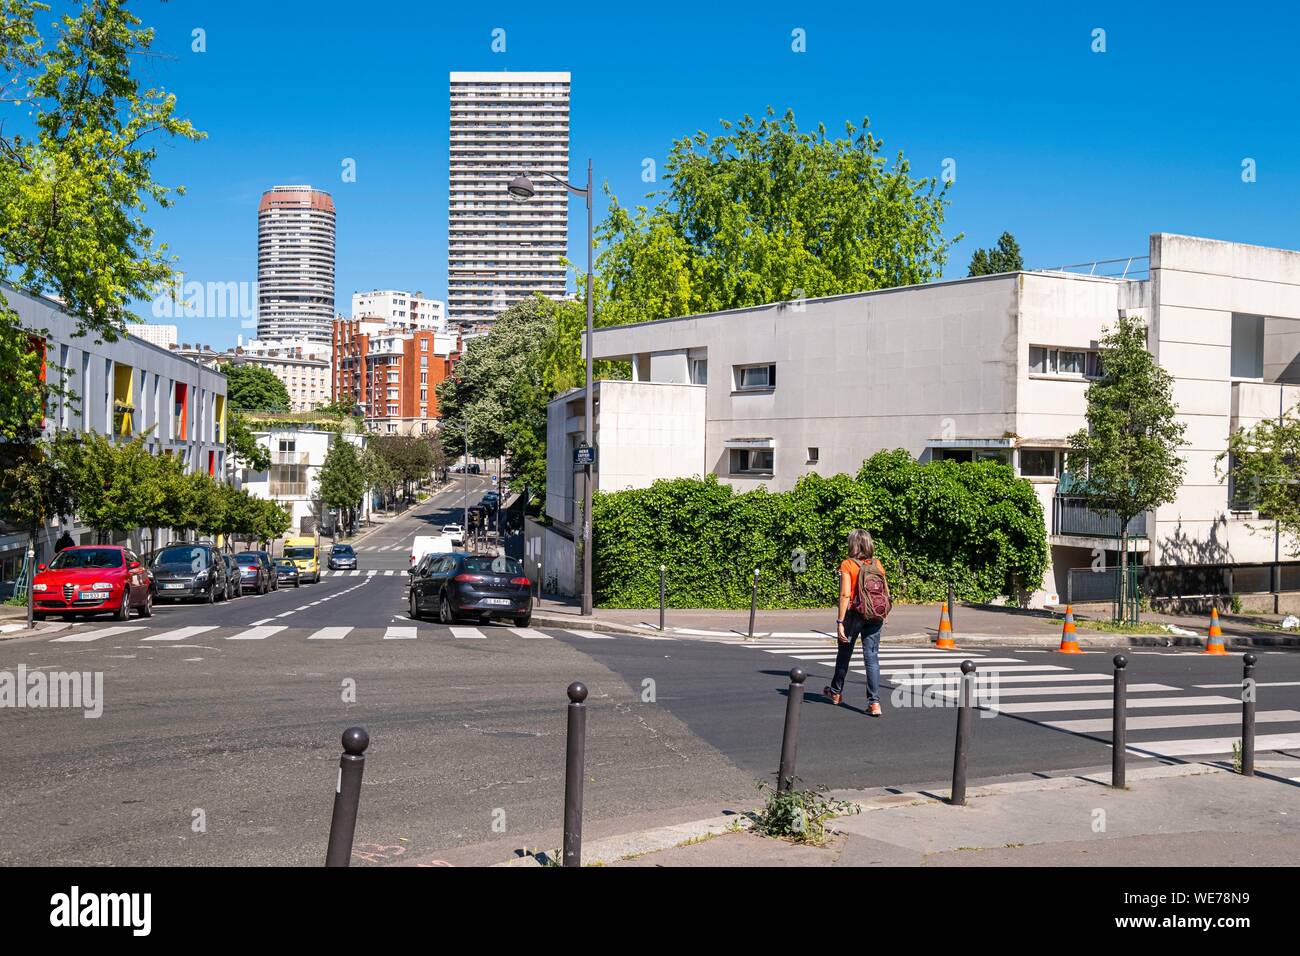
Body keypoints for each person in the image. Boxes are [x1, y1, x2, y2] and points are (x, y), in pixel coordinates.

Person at [825, 529, 886, 717]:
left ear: (852, 544)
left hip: (854, 614)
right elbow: (886, 592)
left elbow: (845, 595)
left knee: (844, 654)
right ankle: (874, 703)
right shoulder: (878, 564)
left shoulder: (847, 564)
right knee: (872, 658)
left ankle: (835, 693)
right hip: (876, 615)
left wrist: (840, 621)